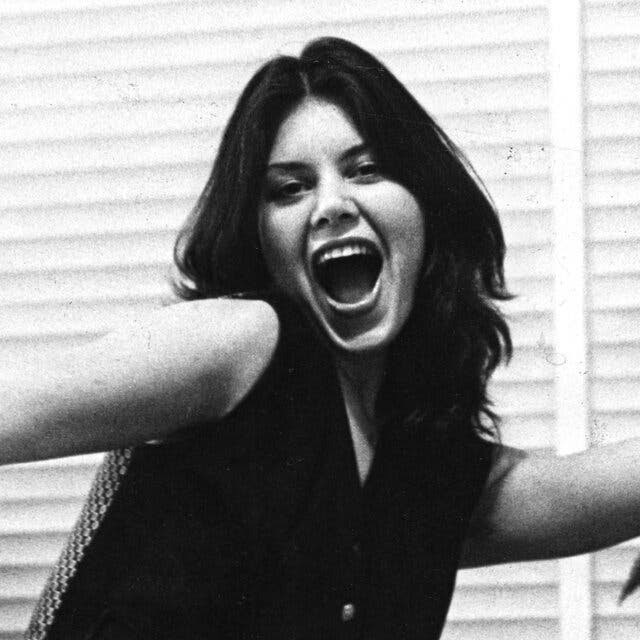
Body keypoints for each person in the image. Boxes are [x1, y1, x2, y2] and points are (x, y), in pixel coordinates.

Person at [5, 36, 640, 640]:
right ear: (260, 236)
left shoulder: (426, 471)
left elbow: (588, 490)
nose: (331, 205)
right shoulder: (238, 344)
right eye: (291, 189)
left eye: (366, 171)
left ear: (427, 209)